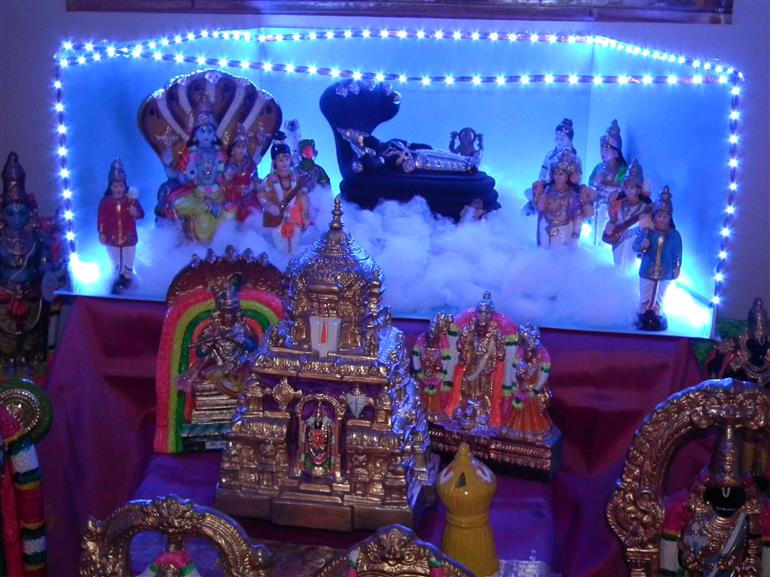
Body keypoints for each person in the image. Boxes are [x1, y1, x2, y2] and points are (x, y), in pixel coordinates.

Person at [660, 425, 768, 577]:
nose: (727, 471)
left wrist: (740, 565)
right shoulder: (694, 508)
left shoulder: (748, 514)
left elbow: (754, 555)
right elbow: (683, 546)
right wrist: (687, 558)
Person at [164, 95, 227, 243]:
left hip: (218, 194)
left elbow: (225, 177)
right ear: (196, 135)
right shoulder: (190, 153)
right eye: (202, 132)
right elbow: (179, 177)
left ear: (214, 135)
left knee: (229, 214)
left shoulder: (220, 153)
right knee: (176, 204)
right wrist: (168, 164)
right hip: (195, 194)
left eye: (209, 131)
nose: (206, 135)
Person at [446, 292, 512, 429]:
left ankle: (483, 414)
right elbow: (462, 348)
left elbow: (500, 356)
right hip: (471, 366)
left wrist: (498, 347)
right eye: (479, 325)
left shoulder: (495, 336)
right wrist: (463, 348)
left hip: (487, 371)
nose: (481, 328)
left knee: (484, 392)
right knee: (467, 389)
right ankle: (465, 408)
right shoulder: (470, 331)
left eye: (484, 326)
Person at [633, 187, 682, 331]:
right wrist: (642, 245)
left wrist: (677, 267)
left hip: (666, 270)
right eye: (659, 216)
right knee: (645, 292)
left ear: (670, 218)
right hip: (647, 269)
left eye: (665, 217)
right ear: (654, 216)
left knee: (661, 294)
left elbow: (678, 253)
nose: (662, 219)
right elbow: (636, 246)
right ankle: (642, 310)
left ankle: (658, 311)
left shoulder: (674, 235)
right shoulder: (648, 231)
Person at [97, 159, 145, 293]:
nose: (118, 190)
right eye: (115, 187)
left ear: (125, 187)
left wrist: (136, 213)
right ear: (110, 187)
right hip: (111, 238)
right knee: (115, 262)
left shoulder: (131, 201)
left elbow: (141, 214)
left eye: (120, 187)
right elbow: (101, 219)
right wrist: (102, 232)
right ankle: (117, 278)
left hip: (129, 237)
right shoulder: (105, 202)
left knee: (128, 260)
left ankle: (129, 278)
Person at [256, 142, 311, 253]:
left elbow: (303, 198)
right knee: (280, 246)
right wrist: (269, 206)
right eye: (280, 160)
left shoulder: (297, 178)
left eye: (287, 159)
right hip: (276, 217)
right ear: (274, 162)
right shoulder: (269, 180)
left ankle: (293, 261)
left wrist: (305, 215)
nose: (284, 163)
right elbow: (261, 195)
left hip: (295, 216)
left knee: (295, 245)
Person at [533, 149, 594, 248]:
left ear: (568, 176)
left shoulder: (572, 194)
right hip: (545, 226)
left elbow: (577, 216)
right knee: (543, 252)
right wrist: (538, 194)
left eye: (561, 174)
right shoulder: (548, 189)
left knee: (559, 254)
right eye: (555, 173)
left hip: (563, 229)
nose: (557, 176)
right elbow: (540, 208)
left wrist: (575, 235)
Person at [601, 158, 652, 274]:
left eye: (632, 188)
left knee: (629, 268)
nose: (629, 191)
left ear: (639, 189)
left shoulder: (645, 207)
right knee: (617, 264)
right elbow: (613, 219)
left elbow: (647, 227)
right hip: (618, 239)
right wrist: (610, 225)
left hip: (634, 241)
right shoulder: (619, 203)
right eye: (627, 187)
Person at [504, 325, 554, 439]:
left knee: (533, 413)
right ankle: (515, 430)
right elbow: (512, 370)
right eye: (527, 342)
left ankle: (533, 432)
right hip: (520, 389)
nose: (529, 345)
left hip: (534, 392)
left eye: (531, 341)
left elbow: (543, 376)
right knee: (515, 413)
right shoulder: (520, 352)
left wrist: (534, 391)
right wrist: (515, 388)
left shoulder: (543, 354)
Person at [589, 119, 628, 245]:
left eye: (606, 150)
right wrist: (595, 183)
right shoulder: (599, 167)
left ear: (616, 153)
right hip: (597, 203)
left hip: (611, 206)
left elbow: (622, 188)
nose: (602, 153)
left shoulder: (622, 170)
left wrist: (604, 184)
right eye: (601, 149)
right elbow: (591, 183)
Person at [412, 313, 454, 416]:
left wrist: (439, 378)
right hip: (423, 375)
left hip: (437, 377)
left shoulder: (444, 344)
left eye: (434, 335)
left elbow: (446, 363)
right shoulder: (421, 340)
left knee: (437, 396)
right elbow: (416, 358)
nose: (431, 337)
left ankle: (435, 411)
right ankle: (421, 410)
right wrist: (420, 374)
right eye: (430, 333)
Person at [222, 124, 258, 222]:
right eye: (238, 147)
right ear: (232, 149)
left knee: (254, 211)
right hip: (233, 196)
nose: (241, 149)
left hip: (249, 196)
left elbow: (255, 180)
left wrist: (251, 187)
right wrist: (230, 184)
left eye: (244, 147)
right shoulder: (228, 165)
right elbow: (225, 183)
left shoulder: (251, 164)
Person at [303, 404, 333, 477]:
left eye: (320, 416)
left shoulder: (326, 427)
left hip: (322, 447)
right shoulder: (310, 426)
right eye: (317, 416)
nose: (318, 418)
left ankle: (328, 467)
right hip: (313, 447)